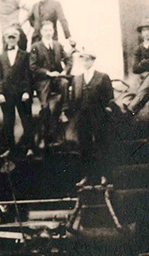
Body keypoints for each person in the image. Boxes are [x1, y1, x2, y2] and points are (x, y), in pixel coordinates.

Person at [69, 51, 114, 186]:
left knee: (101, 144)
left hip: (98, 115)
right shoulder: (77, 78)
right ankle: (87, 176)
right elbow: (73, 99)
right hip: (82, 116)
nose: (85, 63)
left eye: (88, 60)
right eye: (83, 60)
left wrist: (105, 111)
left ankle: (104, 175)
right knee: (84, 146)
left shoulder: (102, 77)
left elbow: (109, 97)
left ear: (93, 61)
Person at [0, 27, 35, 157]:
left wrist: (27, 91)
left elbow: (28, 75)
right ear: (5, 40)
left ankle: (30, 148)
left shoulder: (25, 55)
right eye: (9, 38)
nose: (11, 40)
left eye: (13, 38)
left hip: (21, 94)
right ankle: (10, 149)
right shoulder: (1, 57)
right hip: (6, 95)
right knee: (8, 122)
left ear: (17, 39)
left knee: (26, 121)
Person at [29, 23, 71, 149]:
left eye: (50, 30)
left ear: (53, 31)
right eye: (45, 30)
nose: (48, 32)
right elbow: (33, 67)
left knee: (64, 83)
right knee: (45, 107)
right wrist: (47, 73)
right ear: (41, 32)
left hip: (57, 79)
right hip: (43, 81)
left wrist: (65, 71)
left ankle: (63, 111)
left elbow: (68, 59)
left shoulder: (57, 45)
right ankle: (44, 137)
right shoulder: (35, 46)